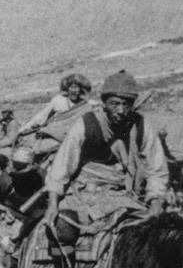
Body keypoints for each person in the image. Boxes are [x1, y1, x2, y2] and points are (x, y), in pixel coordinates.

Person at [43, 70, 168, 227]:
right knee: (63, 229)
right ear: (104, 103)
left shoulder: (141, 126)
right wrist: (52, 205)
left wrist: (155, 206)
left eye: (126, 104)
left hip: (124, 193)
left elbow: (157, 168)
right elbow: (61, 168)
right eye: (115, 104)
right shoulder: (86, 125)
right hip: (84, 192)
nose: (121, 111)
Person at [18, 73, 92, 155]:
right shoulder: (59, 100)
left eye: (76, 87)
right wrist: (23, 129)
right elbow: (41, 117)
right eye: (71, 87)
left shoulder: (85, 106)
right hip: (51, 135)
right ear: (67, 89)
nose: (74, 91)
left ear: (81, 89)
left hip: (71, 138)